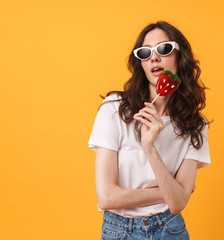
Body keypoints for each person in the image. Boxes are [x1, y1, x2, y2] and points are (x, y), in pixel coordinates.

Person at [88, 21, 211, 240]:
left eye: (164, 49)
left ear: (179, 57)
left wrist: (149, 147)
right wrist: (170, 192)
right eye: (145, 53)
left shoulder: (195, 124)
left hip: (170, 229)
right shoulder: (114, 110)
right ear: (142, 64)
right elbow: (106, 198)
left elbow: (177, 205)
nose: (154, 57)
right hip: (120, 231)